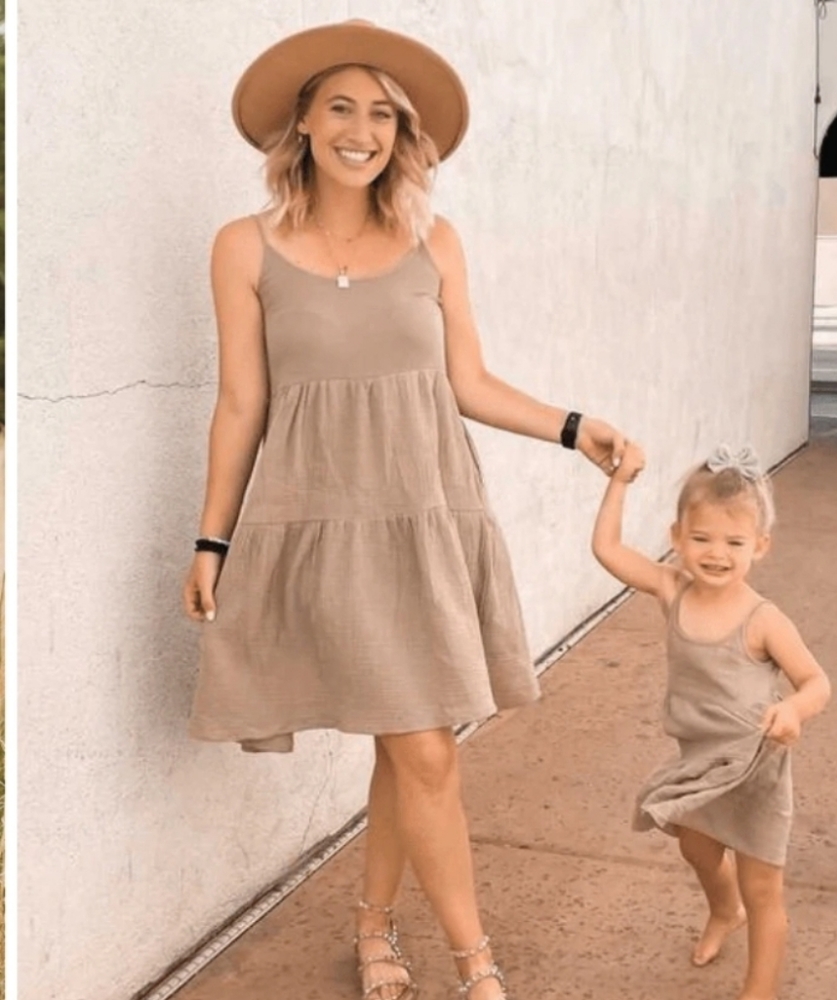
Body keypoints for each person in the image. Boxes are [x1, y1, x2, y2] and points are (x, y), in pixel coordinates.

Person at [181, 20, 634, 1000]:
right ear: (301, 121)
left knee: (413, 740)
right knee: (420, 744)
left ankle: (378, 931)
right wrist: (212, 537)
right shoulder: (243, 247)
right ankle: (476, 963)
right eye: (341, 105)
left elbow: (466, 380)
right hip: (319, 521)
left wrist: (572, 424)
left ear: (404, 132)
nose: (362, 129)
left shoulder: (435, 240)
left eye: (383, 112)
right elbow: (241, 403)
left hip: (424, 515)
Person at [591, 443, 831, 1000]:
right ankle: (725, 910)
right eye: (701, 539)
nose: (716, 553)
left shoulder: (763, 619)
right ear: (677, 538)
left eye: (734, 542)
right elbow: (606, 547)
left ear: (760, 547)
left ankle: (759, 990)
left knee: (763, 887)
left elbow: (817, 682)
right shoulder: (672, 589)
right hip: (699, 763)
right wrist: (620, 481)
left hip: (756, 772)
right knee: (696, 849)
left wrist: (793, 709)